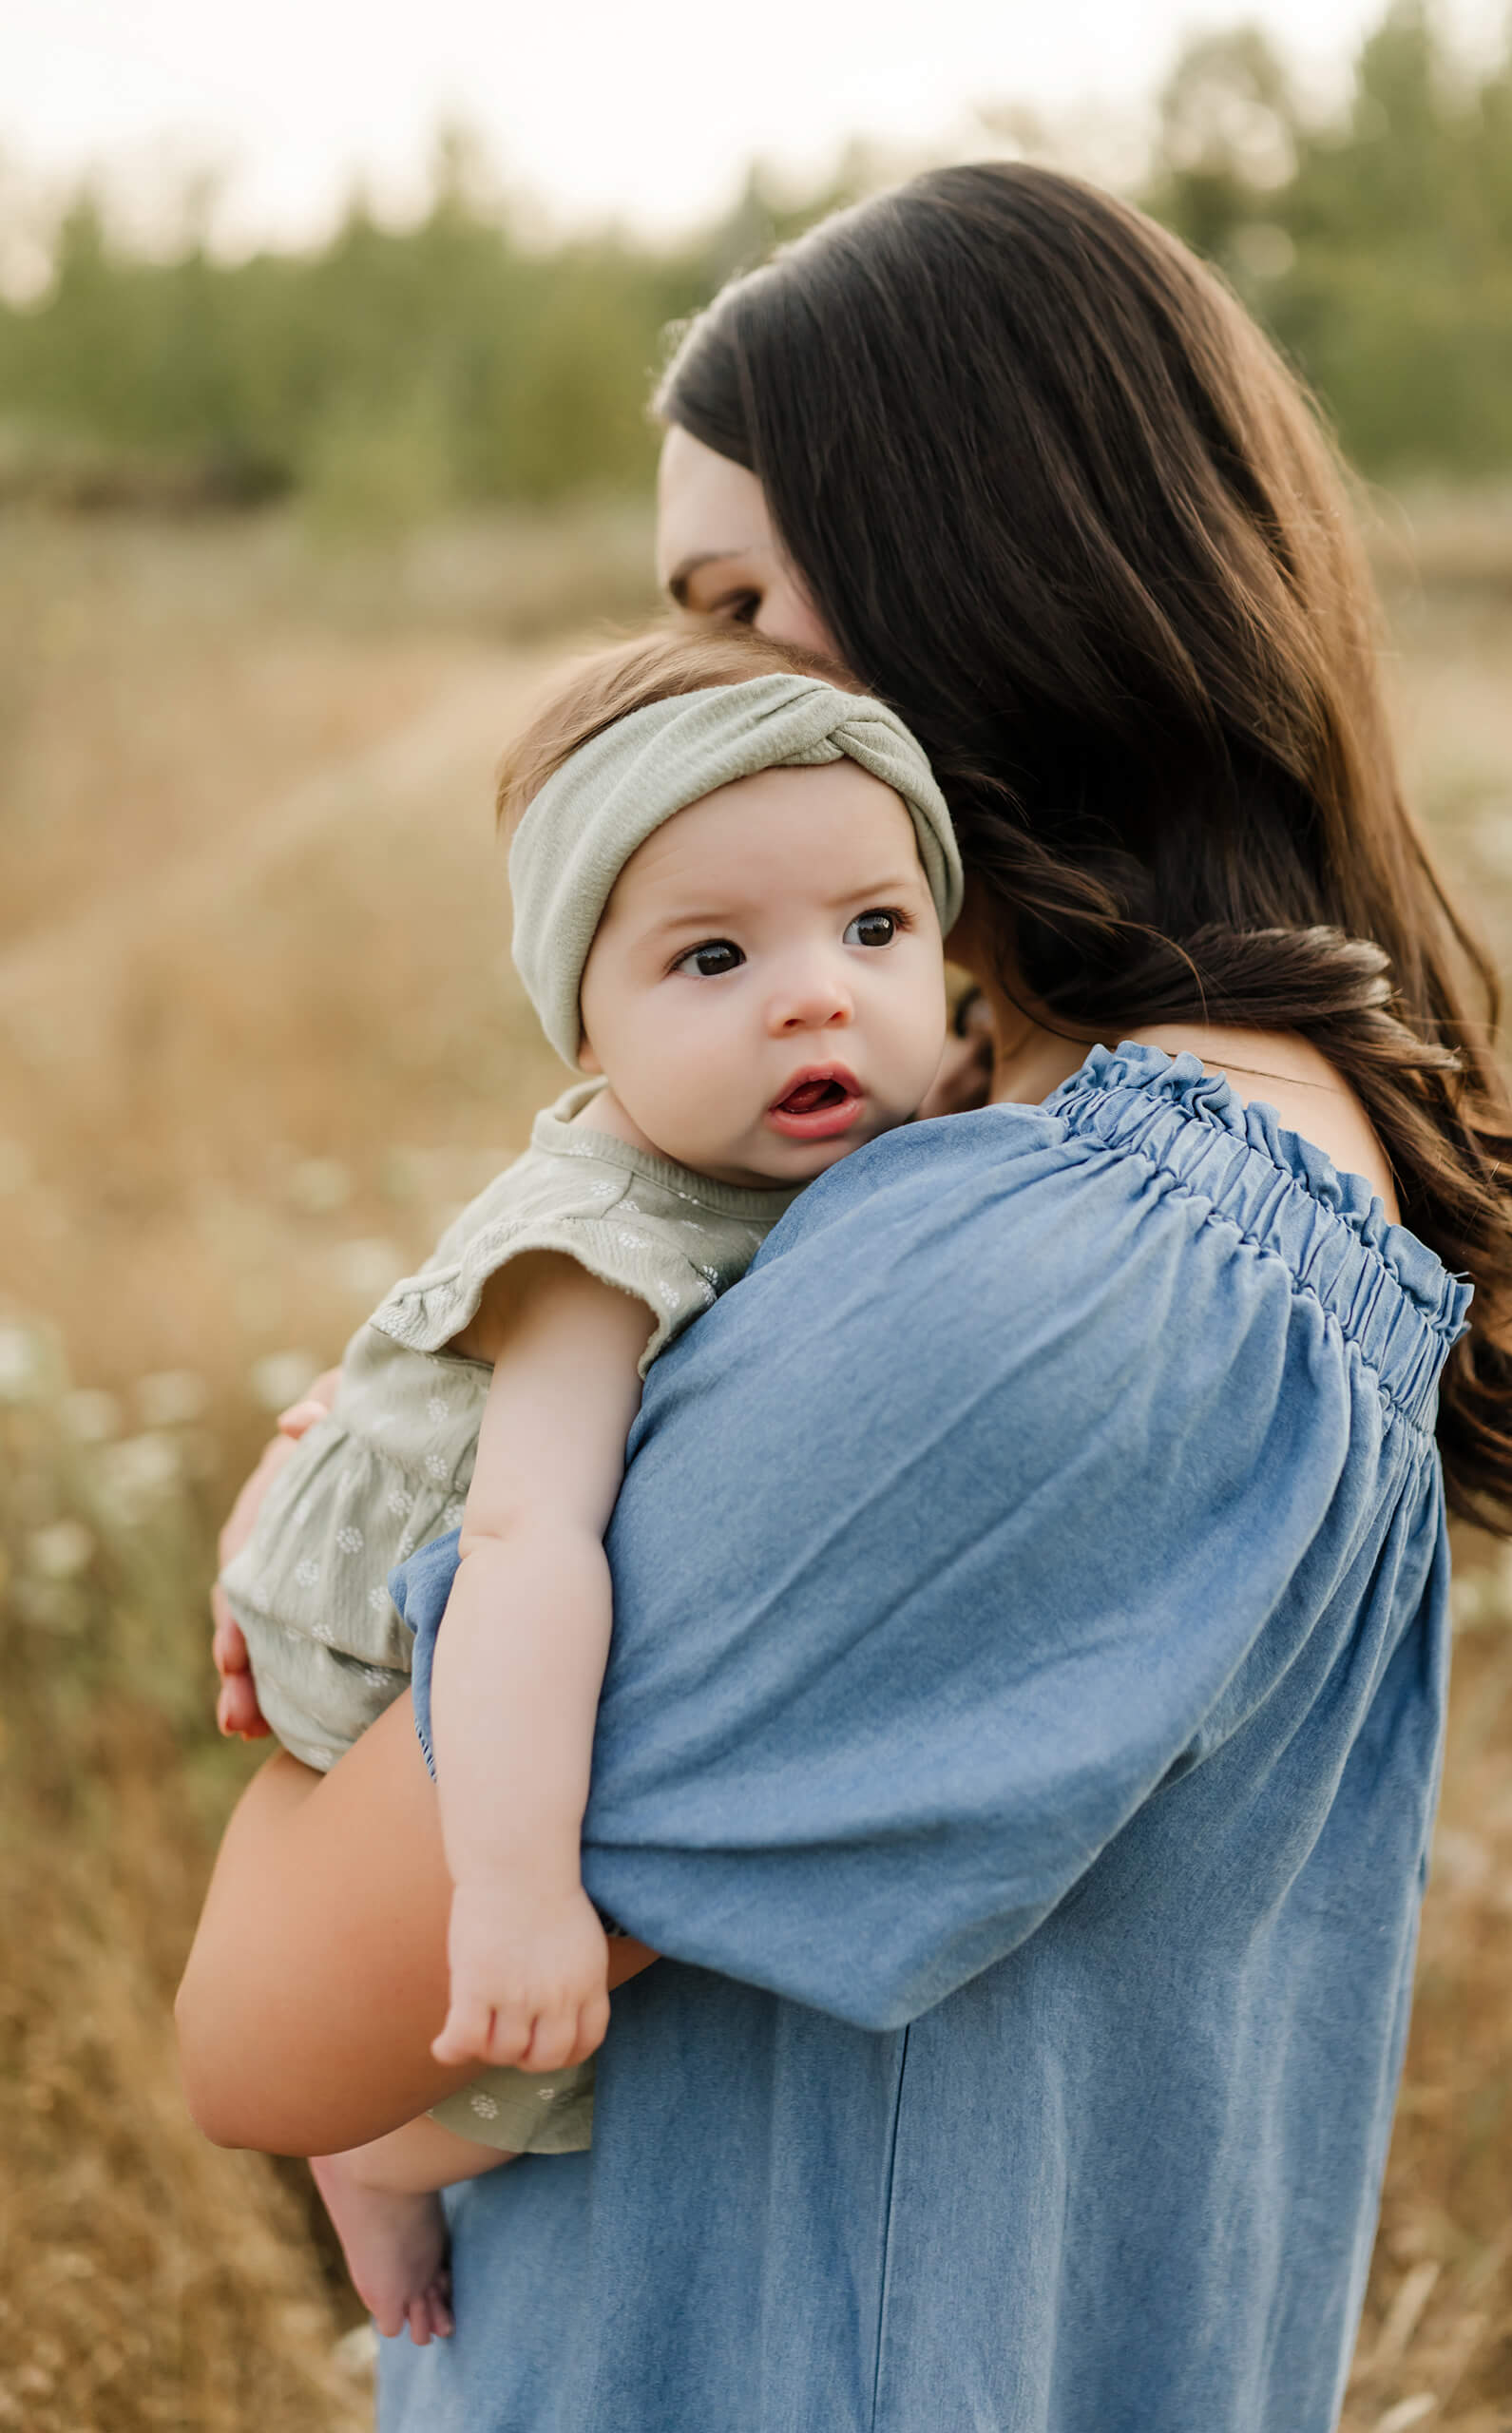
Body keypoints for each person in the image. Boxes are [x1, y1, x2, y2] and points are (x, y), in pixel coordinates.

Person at [180, 164, 1512, 2433]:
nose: (708, 695)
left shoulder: (1058, 1271)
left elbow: (263, 2025)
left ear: (999, 563)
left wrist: (398, 1557)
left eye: (746, 601)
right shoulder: (1141, 1179)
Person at [213, 623, 959, 2343]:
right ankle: (378, 2163)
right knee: (519, 2028)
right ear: (589, 1027)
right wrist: (517, 1888)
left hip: (473, 1562)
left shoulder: (848, 1100)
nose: (814, 994)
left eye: (873, 930)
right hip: (407, 1615)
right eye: (712, 957)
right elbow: (524, 1545)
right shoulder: (596, 1248)